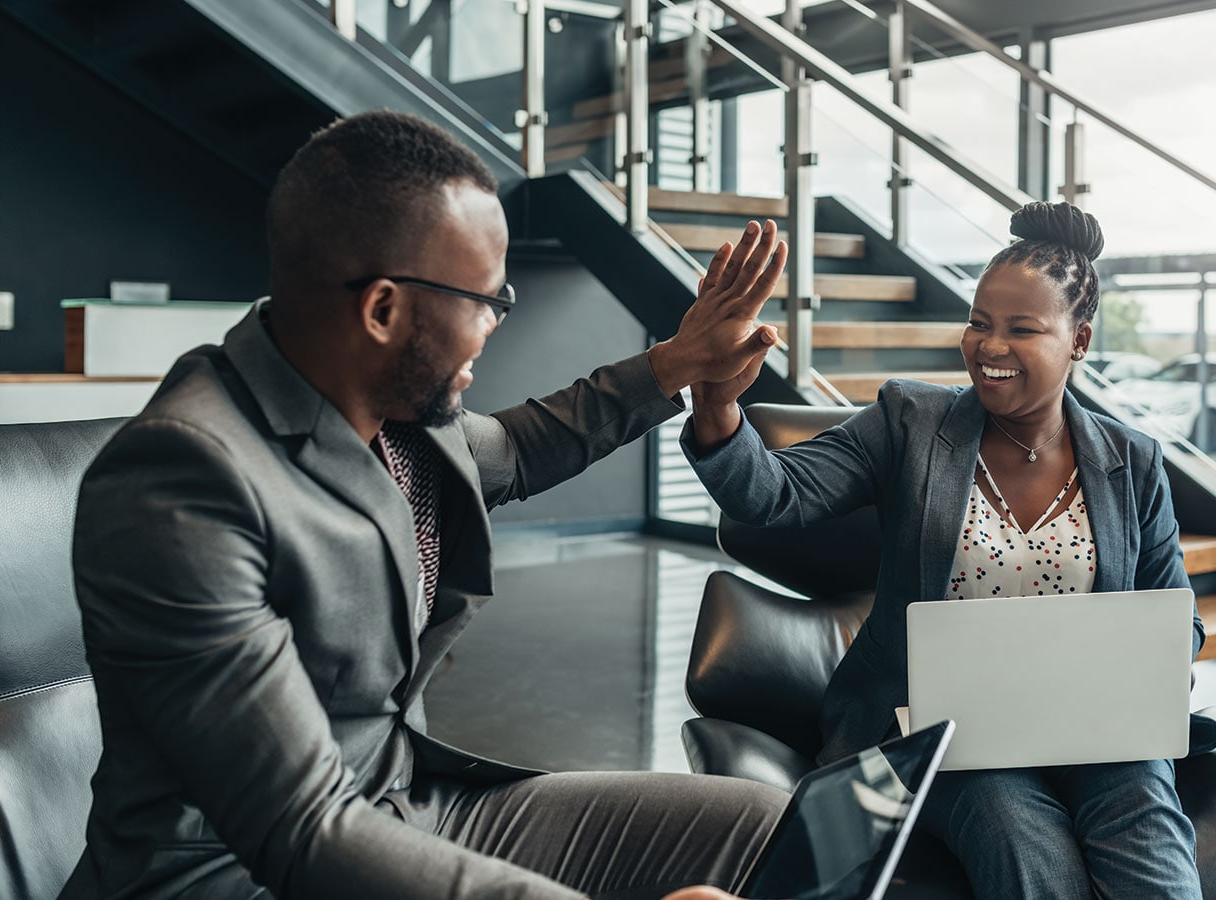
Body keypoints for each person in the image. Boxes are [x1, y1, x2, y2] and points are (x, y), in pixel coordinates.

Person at [63, 110, 789, 900]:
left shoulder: (395, 411)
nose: (492, 327)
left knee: (762, 830)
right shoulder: (179, 483)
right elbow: (302, 829)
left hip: (403, 808)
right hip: (243, 872)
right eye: (486, 300)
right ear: (383, 311)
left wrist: (680, 362)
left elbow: (517, 447)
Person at [682, 201, 1216, 899]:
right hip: (941, 731)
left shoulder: (1132, 461)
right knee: (1021, 844)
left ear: (1079, 340)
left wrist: (1148, 667)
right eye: (979, 324)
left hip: (1092, 729)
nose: (989, 348)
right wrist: (716, 404)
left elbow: (1178, 618)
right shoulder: (910, 422)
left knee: (1152, 846)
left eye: (1022, 330)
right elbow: (772, 495)